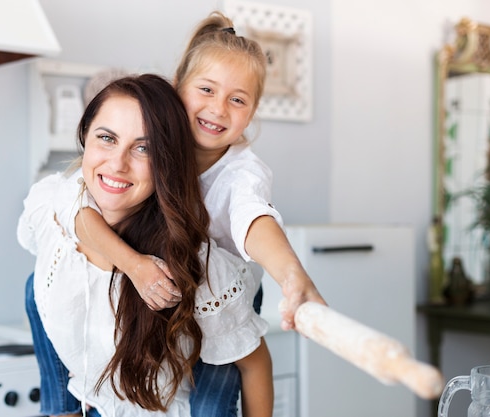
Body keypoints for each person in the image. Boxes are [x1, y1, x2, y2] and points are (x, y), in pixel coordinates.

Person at [74, 10, 327, 416]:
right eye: (206, 90)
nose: (219, 109)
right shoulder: (150, 149)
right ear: (178, 88)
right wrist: (136, 266)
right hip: (174, 279)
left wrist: (292, 275)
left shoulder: (243, 174)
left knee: (211, 402)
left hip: (228, 289)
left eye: (238, 99)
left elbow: (253, 218)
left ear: (253, 110)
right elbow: (83, 210)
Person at [18, 74, 272, 417]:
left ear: (166, 161)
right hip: (92, 407)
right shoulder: (50, 205)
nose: (118, 164)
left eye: (143, 148)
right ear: (85, 138)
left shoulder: (191, 263)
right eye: (107, 138)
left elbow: (254, 364)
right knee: (33, 288)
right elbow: (69, 212)